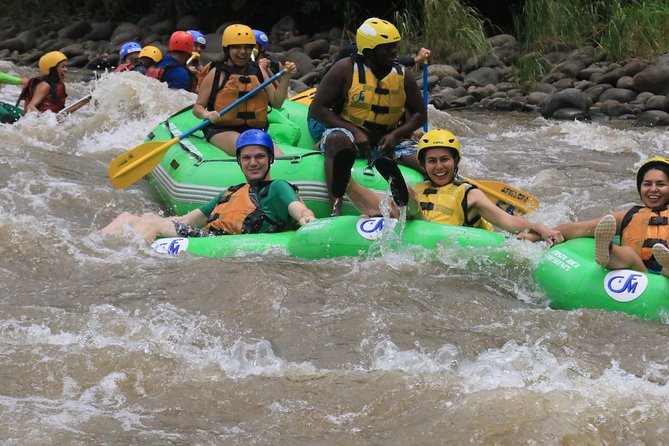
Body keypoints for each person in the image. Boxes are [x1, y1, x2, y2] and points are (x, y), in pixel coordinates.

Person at [341, 128, 563, 245]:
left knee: (408, 205)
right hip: (416, 229)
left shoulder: (469, 194)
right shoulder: (420, 186)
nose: (439, 166)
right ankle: (348, 183)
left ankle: (404, 199)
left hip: (446, 240)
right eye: (432, 161)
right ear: (423, 164)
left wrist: (539, 228)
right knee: (388, 207)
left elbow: (507, 221)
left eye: (444, 159)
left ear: (455, 162)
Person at [101, 129, 315, 242]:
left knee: (152, 226)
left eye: (259, 157)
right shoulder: (233, 191)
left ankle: (134, 264)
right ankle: (95, 248)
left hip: (223, 242)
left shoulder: (277, 187)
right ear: (239, 161)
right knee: (130, 217)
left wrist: (306, 218)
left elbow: (297, 207)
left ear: (271, 159)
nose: (253, 163)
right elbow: (187, 220)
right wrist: (153, 218)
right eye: (247, 158)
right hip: (210, 238)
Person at [308, 17, 427, 215]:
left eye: (394, 46)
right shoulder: (344, 69)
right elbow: (317, 109)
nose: (394, 51)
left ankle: (440, 202)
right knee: (337, 139)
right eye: (387, 47)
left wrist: (396, 134)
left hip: (388, 139)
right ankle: (335, 210)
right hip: (351, 135)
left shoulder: (402, 74)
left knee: (427, 159)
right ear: (370, 50)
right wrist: (354, 130)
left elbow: (420, 115)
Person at [522, 157, 669, 277]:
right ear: (640, 187)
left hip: (665, 276)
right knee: (628, 254)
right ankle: (607, 248)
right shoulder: (629, 215)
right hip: (638, 272)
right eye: (647, 184)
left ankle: (667, 265)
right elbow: (579, 229)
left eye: (661, 184)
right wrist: (539, 236)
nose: (653, 189)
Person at [192, 23, 297, 157]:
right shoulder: (217, 73)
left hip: (253, 130)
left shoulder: (258, 71)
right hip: (221, 129)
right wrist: (207, 115)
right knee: (251, 149)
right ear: (227, 49)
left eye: (247, 47)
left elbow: (277, 102)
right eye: (236, 47)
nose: (242, 52)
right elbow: (198, 107)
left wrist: (286, 78)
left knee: (278, 157)